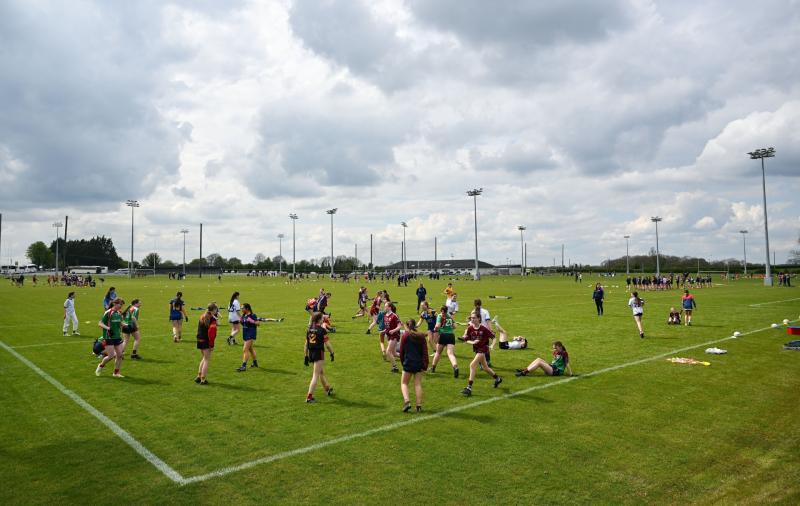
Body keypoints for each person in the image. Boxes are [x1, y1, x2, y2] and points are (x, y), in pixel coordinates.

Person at [460, 312, 502, 396]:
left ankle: (469, 387)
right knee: (485, 368)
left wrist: (492, 345)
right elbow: (466, 340)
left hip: (483, 349)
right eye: (471, 318)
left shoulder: (483, 329)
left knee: (472, 365)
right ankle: (498, 379)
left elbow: (493, 338)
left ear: (479, 319)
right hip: (477, 350)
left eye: (474, 318)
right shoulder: (470, 328)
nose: (472, 319)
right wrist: (472, 342)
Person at [399, 319, 428, 412]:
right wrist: (425, 365)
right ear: (415, 326)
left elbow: (401, 351)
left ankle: (407, 401)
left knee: (404, 383)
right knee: (418, 384)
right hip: (419, 364)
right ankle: (419, 406)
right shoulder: (421, 336)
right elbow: (425, 352)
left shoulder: (405, 335)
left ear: (407, 326)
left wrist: (403, 362)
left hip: (408, 363)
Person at [304, 312, 333, 403]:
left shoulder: (309, 329)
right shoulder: (322, 330)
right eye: (322, 318)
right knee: (315, 375)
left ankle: (327, 388)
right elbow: (327, 345)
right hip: (318, 353)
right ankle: (309, 397)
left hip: (311, 352)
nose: (323, 319)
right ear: (319, 319)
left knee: (321, 372)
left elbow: (306, 344)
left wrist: (305, 355)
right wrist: (332, 353)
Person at [95, 299, 125, 378]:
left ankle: (116, 373)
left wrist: (124, 325)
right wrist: (108, 328)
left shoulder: (119, 313)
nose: (121, 306)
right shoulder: (108, 312)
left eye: (122, 304)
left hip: (117, 336)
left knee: (120, 355)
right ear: (114, 303)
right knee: (111, 356)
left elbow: (119, 323)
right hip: (109, 337)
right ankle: (101, 366)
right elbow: (100, 323)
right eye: (120, 304)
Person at [429, 305, 459, 377]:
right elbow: (455, 326)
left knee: (438, 353)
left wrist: (435, 330)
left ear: (442, 311)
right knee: (450, 354)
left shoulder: (440, 316)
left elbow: (437, 326)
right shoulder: (449, 316)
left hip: (443, 335)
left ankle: (433, 368)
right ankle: (455, 367)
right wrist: (449, 328)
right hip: (451, 335)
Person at [195, 303, 219, 385]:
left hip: (199, 339)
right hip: (206, 341)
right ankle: (203, 379)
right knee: (206, 360)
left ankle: (198, 376)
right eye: (216, 309)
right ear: (213, 310)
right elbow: (211, 334)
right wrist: (211, 345)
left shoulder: (202, 316)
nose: (217, 311)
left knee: (204, 358)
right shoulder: (212, 319)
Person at [236, 303, 260, 372]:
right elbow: (244, 323)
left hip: (251, 334)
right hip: (245, 334)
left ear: (247, 309)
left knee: (245, 349)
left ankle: (243, 366)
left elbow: (258, 323)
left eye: (242, 308)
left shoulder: (253, 315)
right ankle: (255, 363)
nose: (241, 309)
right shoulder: (244, 315)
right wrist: (241, 321)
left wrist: (251, 321)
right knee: (250, 349)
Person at [382, 302, 402, 373]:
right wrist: (384, 331)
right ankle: (407, 357)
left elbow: (399, 326)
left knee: (388, 352)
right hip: (389, 335)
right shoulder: (385, 315)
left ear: (390, 307)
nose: (384, 307)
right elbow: (388, 327)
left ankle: (395, 367)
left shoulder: (394, 315)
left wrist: (393, 330)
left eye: (386, 306)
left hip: (394, 335)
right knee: (394, 353)